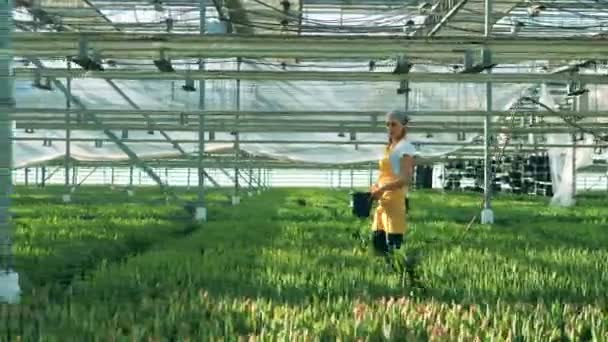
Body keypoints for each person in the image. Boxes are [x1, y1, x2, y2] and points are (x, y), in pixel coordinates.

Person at [369, 110, 416, 255]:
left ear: (403, 126)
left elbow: (405, 179)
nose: (390, 128)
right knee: (378, 239)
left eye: (394, 124)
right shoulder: (388, 148)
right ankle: (381, 273)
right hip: (383, 201)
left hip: (395, 201)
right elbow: (385, 174)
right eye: (387, 124)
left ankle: (398, 272)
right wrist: (375, 187)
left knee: (392, 242)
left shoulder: (405, 148)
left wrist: (383, 188)